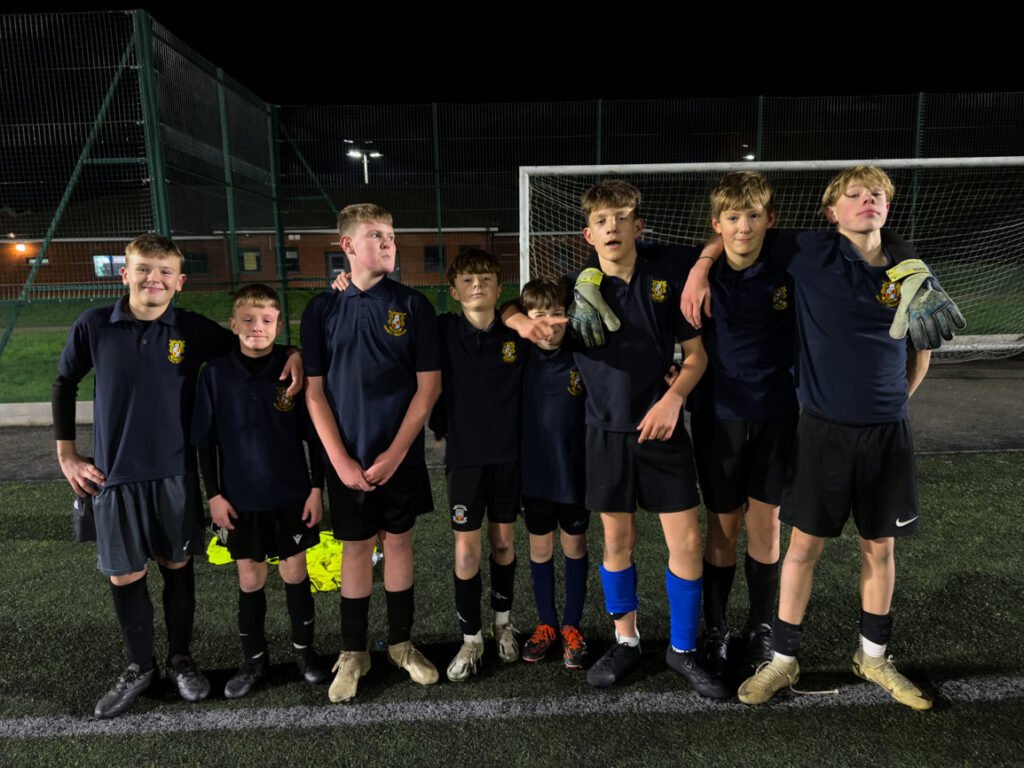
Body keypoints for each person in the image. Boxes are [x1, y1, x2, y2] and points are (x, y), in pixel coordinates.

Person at [684, 166, 943, 710]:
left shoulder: (909, 271)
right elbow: (736, 229)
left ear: (888, 206)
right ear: (831, 211)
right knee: (801, 546)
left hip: (885, 431)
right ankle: (780, 659)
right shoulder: (808, 251)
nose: (867, 201)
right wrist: (702, 266)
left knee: (880, 546)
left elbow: (921, 348)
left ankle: (873, 657)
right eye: (854, 194)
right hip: (820, 428)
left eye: (876, 194)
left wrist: (897, 399)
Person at [53, 233, 303, 718]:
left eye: (165, 271)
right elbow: (64, 382)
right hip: (114, 476)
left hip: (175, 473)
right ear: (124, 273)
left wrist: (293, 351)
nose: (154, 279)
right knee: (126, 573)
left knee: (177, 565)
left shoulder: (189, 328)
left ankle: (181, 660)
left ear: (180, 281)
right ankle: (139, 666)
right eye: (144, 269)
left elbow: (250, 343)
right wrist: (67, 454)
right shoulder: (95, 324)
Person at [506, 180, 727, 698]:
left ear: (638, 227)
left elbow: (696, 356)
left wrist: (673, 399)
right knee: (617, 543)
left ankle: (682, 648)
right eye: (602, 221)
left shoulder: (664, 282)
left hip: (662, 429)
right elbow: (513, 308)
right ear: (588, 234)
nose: (612, 228)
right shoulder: (570, 289)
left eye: (622, 218)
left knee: (686, 542)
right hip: (603, 433)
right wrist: (519, 321)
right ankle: (626, 641)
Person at [302, 203, 441, 703]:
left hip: (398, 455)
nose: (388, 243)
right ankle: (354, 653)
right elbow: (314, 393)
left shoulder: (414, 305)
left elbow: (428, 388)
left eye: (391, 235)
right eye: (376, 235)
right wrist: (340, 462)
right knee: (356, 548)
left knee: (399, 543)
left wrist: (397, 454)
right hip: (348, 457)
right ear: (347, 246)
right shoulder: (322, 308)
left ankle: (401, 645)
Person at [683, 172, 797, 674]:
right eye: (732, 217)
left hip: (777, 413)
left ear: (771, 219)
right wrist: (701, 265)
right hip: (718, 415)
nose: (743, 227)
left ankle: (760, 627)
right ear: (717, 223)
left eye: (753, 216)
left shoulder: (791, 264)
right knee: (723, 525)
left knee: (767, 525)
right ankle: (716, 627)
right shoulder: (698, 270)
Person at [192, 283, 329, 698]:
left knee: (295, 572)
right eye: (248, 320)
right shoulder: (215, 374)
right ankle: (254, 661)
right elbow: (205, 443)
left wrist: (316, 489)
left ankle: (304, 654)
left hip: (291, 495)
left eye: (266, 320)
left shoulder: (292, 371)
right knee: (250, 578)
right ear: (233, 325)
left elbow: (315, 438)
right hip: (240, 500)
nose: (257, 327)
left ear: (278, 326)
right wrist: (214, 495)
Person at [430, 248, 525, 681]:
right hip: (465, 458)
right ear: (453, 291)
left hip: (509, 455)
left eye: (485, 279)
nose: (477, 286)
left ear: (499, 288)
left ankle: (503, 624)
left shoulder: (515, 333)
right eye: (467, 280)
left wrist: (516, 314)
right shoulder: (443, 330)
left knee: (503, 543)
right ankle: (471, 639)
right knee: (466, 549)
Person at [517, 278, 590, 669]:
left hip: (574, 474)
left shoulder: (582, 355)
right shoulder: (519, 355)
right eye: (539, 315)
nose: (549, 324)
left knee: (574, 547)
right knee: (540, 549)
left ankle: (571, 626)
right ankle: (546, 623)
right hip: (535, 475)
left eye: (557, 314)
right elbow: (502, 312)